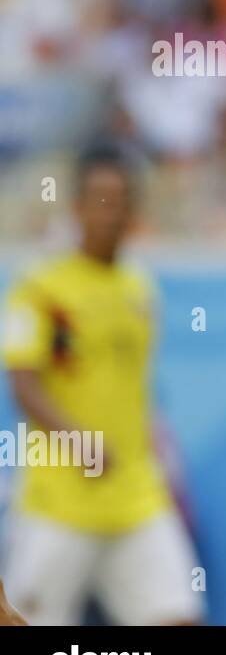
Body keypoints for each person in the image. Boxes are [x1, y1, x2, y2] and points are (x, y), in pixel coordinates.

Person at [0, 143, 204, 625]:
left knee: (179, 617)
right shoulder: (40, 288)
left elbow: (132, 392)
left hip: (136, 496)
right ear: (77, 206)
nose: (109, 213)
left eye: (120, 200)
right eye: (99, 199)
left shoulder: (140, 290)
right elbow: (24, 385)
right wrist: (80, 442)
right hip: (59, 501)